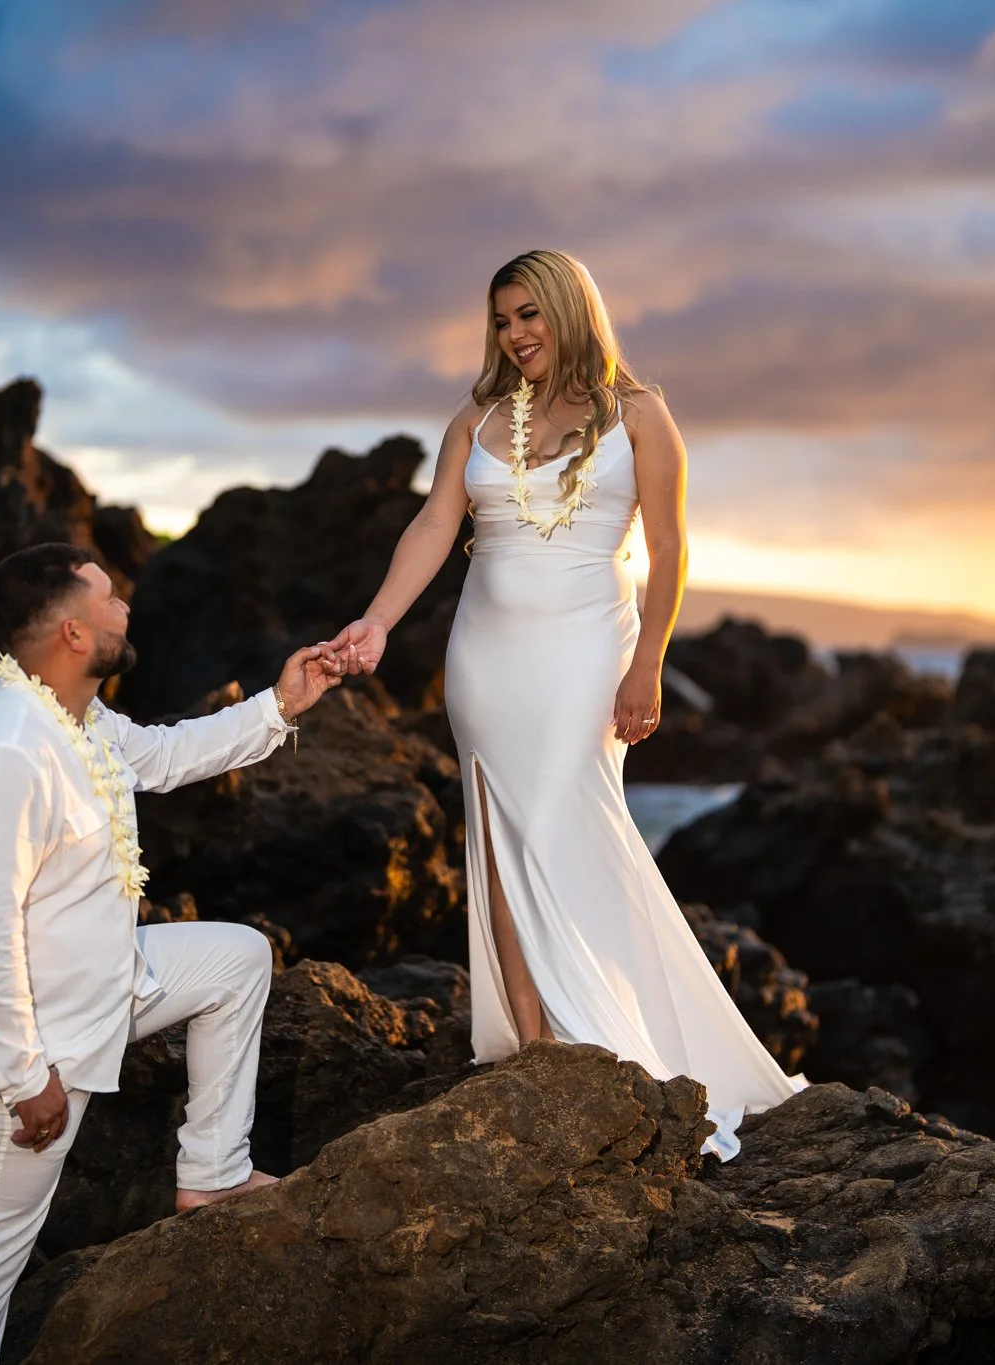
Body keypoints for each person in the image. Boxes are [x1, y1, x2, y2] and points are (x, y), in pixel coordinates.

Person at [328, 249, 804, 1159]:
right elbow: (435, 523)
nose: (515, 334)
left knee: (556, 813)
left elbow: (668, 549)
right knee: (500, 829)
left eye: (530, 315)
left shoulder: (641, 415)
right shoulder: (476, 417)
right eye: (502, 320)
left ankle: (615, 1032)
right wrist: (379, 622)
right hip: (485, 651)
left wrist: (649, 667)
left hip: (592, 643)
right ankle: (533, 1039)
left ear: (571, 311)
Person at [0, 543, 342, 1365]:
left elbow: (168, 754)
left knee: (237, 959)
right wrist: (23, 1073)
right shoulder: (7, 748)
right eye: (109, 600)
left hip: (114, 985)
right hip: (42, 1044)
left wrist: (280, 706)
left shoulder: (80, 718)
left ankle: (213, 1170)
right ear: (74, 632)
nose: (127, 609)